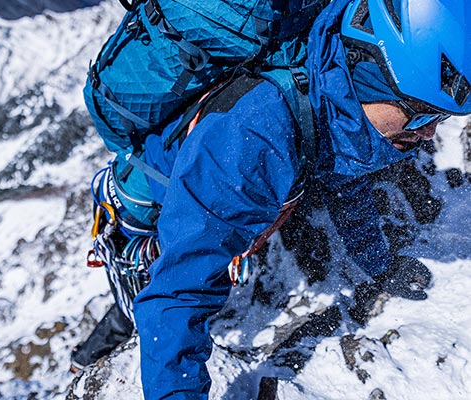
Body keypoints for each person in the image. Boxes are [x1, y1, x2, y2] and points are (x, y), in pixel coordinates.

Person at [79, 0, 471, 397]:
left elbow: (346, 181)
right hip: (145, 205)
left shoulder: (336, 93)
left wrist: (379, 265)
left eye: (439, 120)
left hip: (206, 193)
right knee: (139, 300)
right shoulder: (254, 139)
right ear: (371, 75)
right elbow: (177, 295)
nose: (428, 135)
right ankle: (90, 358)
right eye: (421, 115)